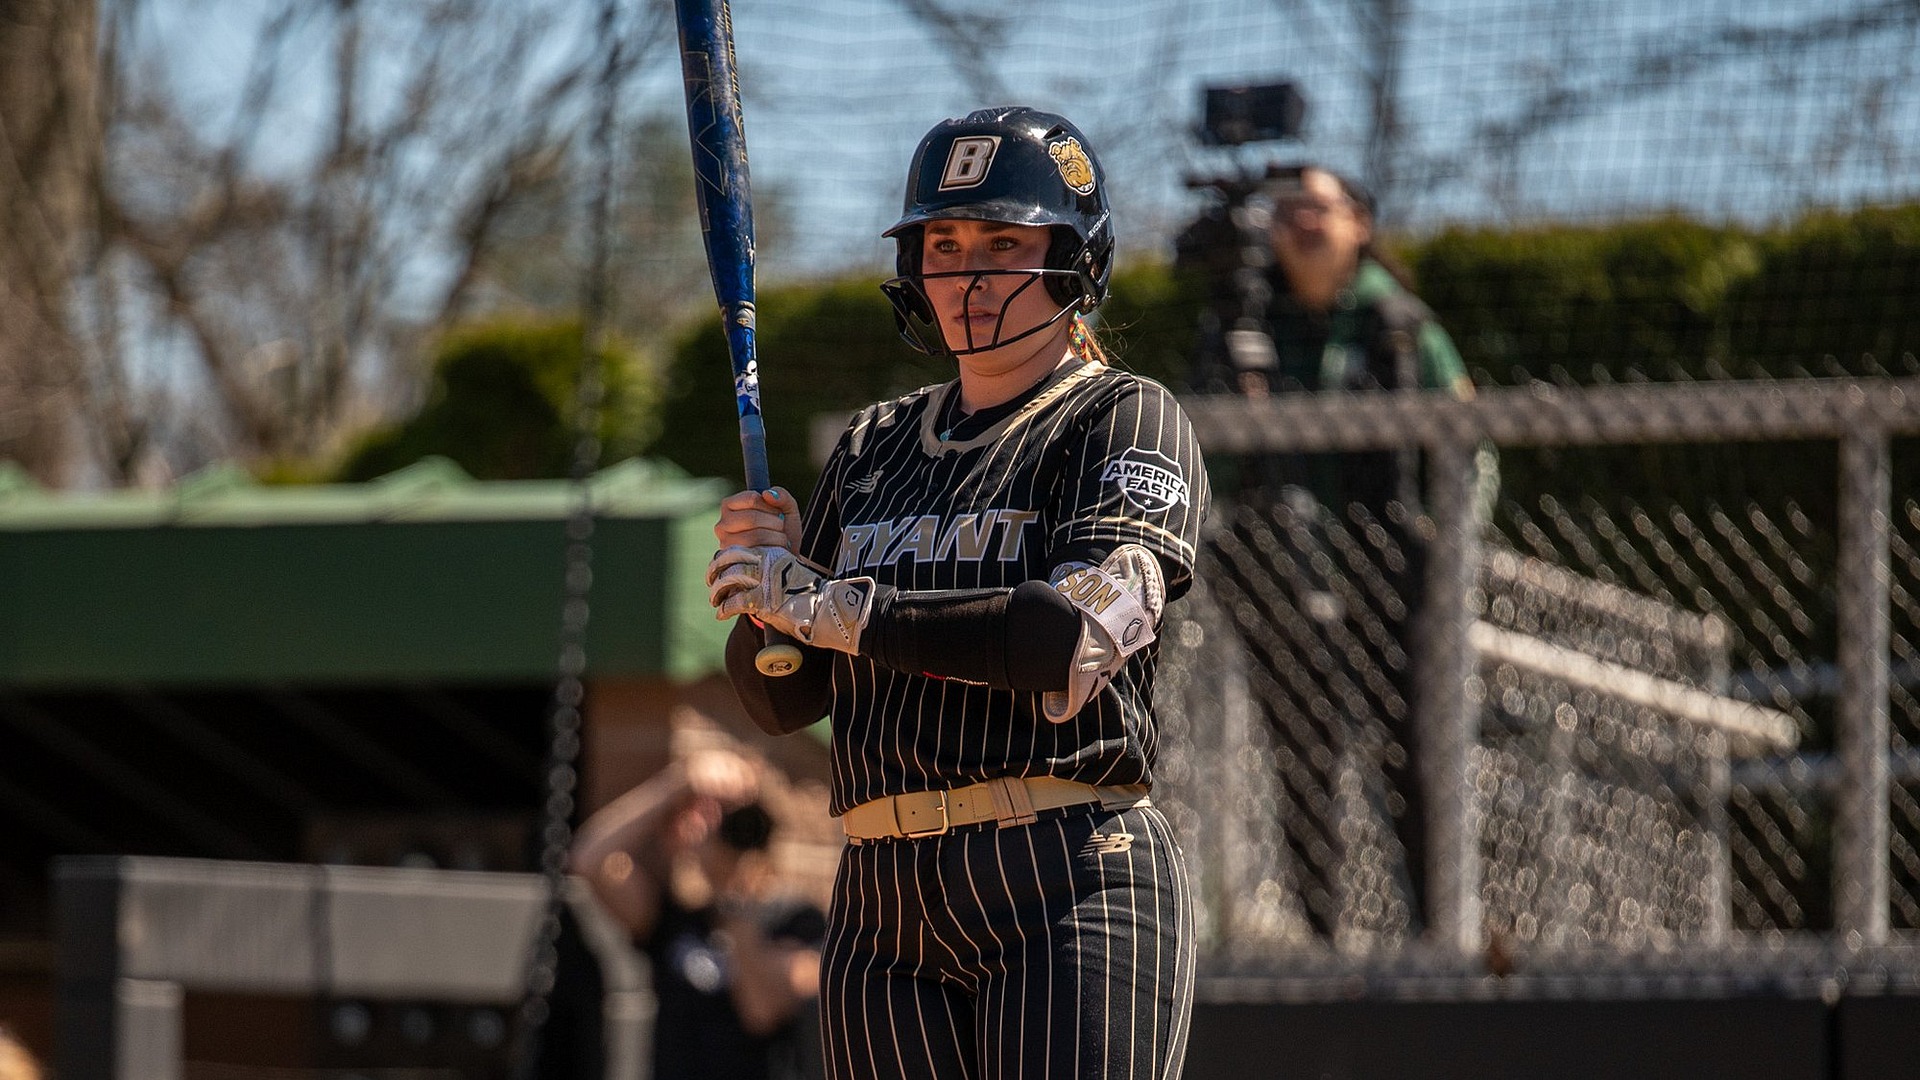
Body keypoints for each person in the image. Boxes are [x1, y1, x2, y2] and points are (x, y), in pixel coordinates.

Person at [703, 106, 1210, 1080]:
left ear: (1074, 260)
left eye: (1003, 241)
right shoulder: (871, 445)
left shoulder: (1124, 417)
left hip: (1063, 873)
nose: (968, 273)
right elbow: (783, 696)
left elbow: (1059, 639)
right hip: (881, 899)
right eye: (944, 242)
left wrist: (826, 604)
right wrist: (765, 599)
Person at [1190, 161, 1481, 939]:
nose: (1300, 221)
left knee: (1408, 758)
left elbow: (1469, 450)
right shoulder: (1244, 329)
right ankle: (1325, 942)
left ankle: (1437, 935)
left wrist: (1453, 553)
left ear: (1360, 221)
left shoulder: (1403, 327)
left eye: (1318, 206)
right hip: (1274, 579)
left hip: (1388, 580)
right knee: (1302, 761)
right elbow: (1203, 463)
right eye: (1286, 210)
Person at [570, 746, 827, 1080]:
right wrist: (679, 783)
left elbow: (761, 1011)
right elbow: (588, 859)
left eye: (735, 817)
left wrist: (735, 894)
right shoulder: (677, 918)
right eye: (714, 814)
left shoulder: (798, 919)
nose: (722, 826)